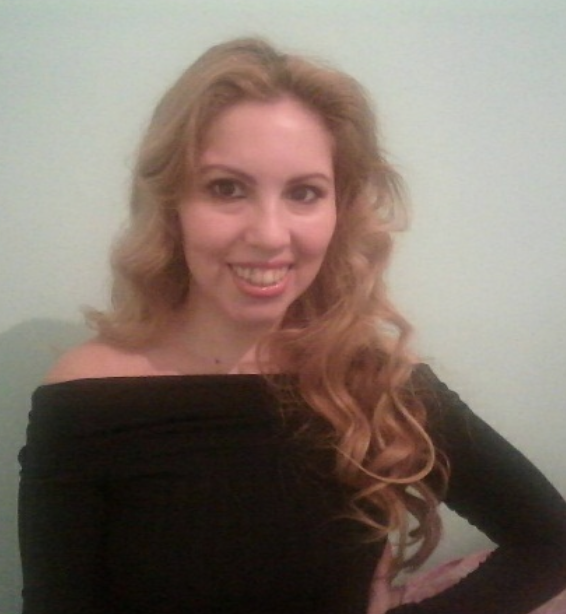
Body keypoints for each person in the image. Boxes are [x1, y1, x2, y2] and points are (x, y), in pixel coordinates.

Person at [18, 37, 566, 614]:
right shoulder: (85, 398)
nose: (269, 235)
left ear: (339, 210)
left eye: (305, 193)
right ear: (172, 203)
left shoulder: (375, 384)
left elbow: (550, 543)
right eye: (227, 188)